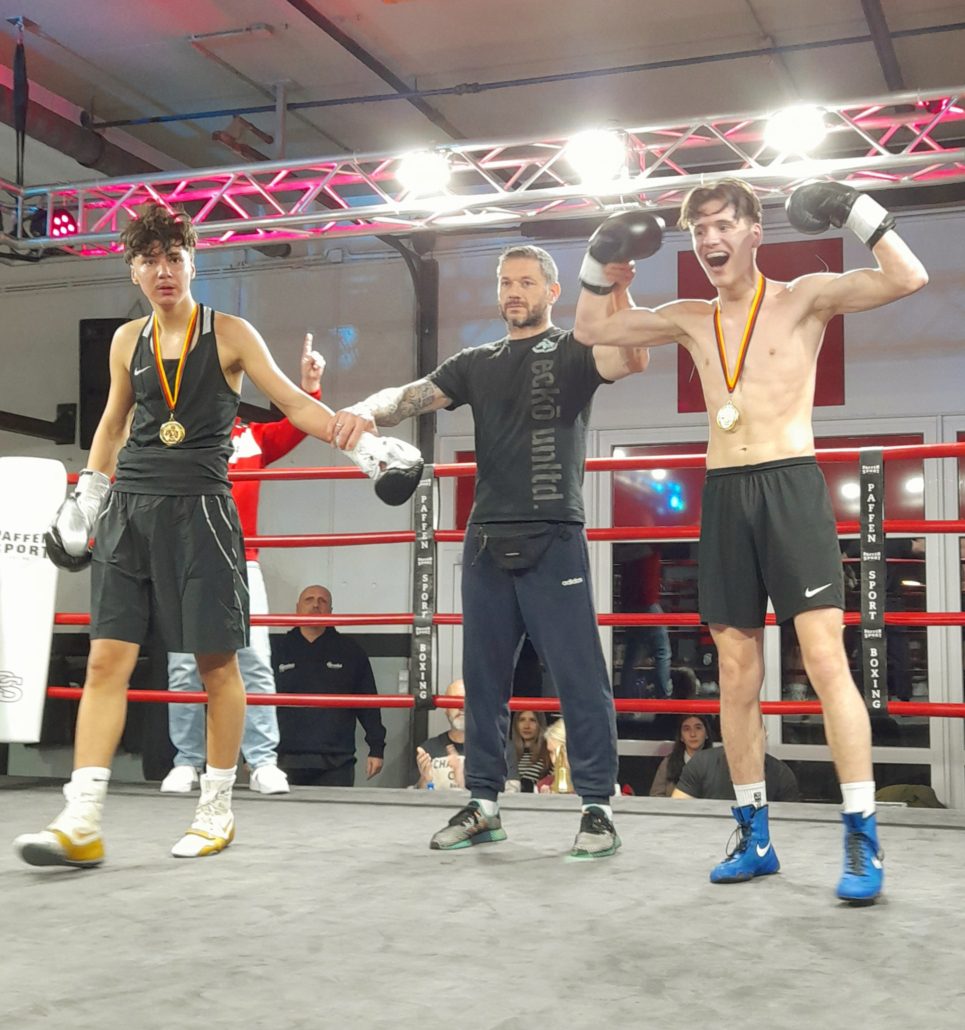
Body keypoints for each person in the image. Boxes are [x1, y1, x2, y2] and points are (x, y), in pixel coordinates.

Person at [13, 203, 422, 868]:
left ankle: (216, 809)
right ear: (133, 269)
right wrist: (87, 493)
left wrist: (362, 444)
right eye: (150, 260)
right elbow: (113, 423)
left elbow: (291, 403)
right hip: (131, 511)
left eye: (174, 258)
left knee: (216, 665)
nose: (163, 271)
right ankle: (81, 819)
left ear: (192, 263)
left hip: (202, 512)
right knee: (105, 662)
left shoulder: (230, 332)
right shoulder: (127, 341)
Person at [573, 177, 927, 902]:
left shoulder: (803, 298)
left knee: (824, 659)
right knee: (735, 673)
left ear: (753, 232)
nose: (709, 237)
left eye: (722, 223)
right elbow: (590, 330)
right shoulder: (689, 317)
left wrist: (854, 210)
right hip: (725, 493)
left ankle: (860, 833)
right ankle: (752, 833)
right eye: (698, 227)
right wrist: (598, 263)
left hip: (790, 483)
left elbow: (907, 276)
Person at [333, 245, 649, 858]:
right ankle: (483, 803)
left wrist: (614, 286)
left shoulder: (575, 349)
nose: (513, 292)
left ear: (552, 291)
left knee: (580, 677)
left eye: (526, 282)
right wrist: (365, 409)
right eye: (506, 282)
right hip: (485, 539)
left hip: (553, 533)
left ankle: (597, 808)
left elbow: (633, 355)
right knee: (481, 681)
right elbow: (413, 394)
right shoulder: (477, 362)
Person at [159, 335, 326, 797]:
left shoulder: (251, 437)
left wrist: (309, 386)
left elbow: (297, 426)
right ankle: (186, 761)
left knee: (255, 663)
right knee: (183, 668)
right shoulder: (173, 436)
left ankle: (263, 761)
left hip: (241, 561)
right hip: (186, 562)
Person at [273, 584, 386, 786]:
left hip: (337, 762)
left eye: (322, 601)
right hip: (282, 759)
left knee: (336, 809)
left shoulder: (350, 650)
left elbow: (368, 703)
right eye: (309, 600)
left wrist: (376, 748)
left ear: (331, 611)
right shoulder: (276, 649)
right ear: (297, 608)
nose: (316, 605)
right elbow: (256, 705)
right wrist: (250, 754)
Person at [617, 543, 671, 698]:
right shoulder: (648, 545)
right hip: (646, 602)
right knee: (662, 651)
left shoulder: (629, 547)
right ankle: (663, 697)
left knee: (632, 653)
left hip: (631, 603)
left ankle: (626, 697)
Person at [671, 742, 799, 802]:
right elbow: (679, 808)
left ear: (763, 736)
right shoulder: (702, 762)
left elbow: (790, 824)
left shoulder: (781, 773)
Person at [415, 678, 466, 790]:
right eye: (455, 701)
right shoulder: (428, 750)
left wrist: (461, 780)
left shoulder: (492, 750)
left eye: (467, 701)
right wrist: (426, 780)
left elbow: (502, 796)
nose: (461, 707)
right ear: (445, 708)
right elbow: (421, 797)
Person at [649, 714, 715, 797]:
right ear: (681, 737)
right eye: (687, 729)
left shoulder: (717, 763)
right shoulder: (669, 763)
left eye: (698, 728)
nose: (693, 734)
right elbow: (656, 796)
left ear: (707, 734)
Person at [505, 709, 552, 792]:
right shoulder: (506, 752)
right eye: (522, 720)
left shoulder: (549, 753)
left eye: (532, 720)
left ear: (540, 724)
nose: (526, 726)